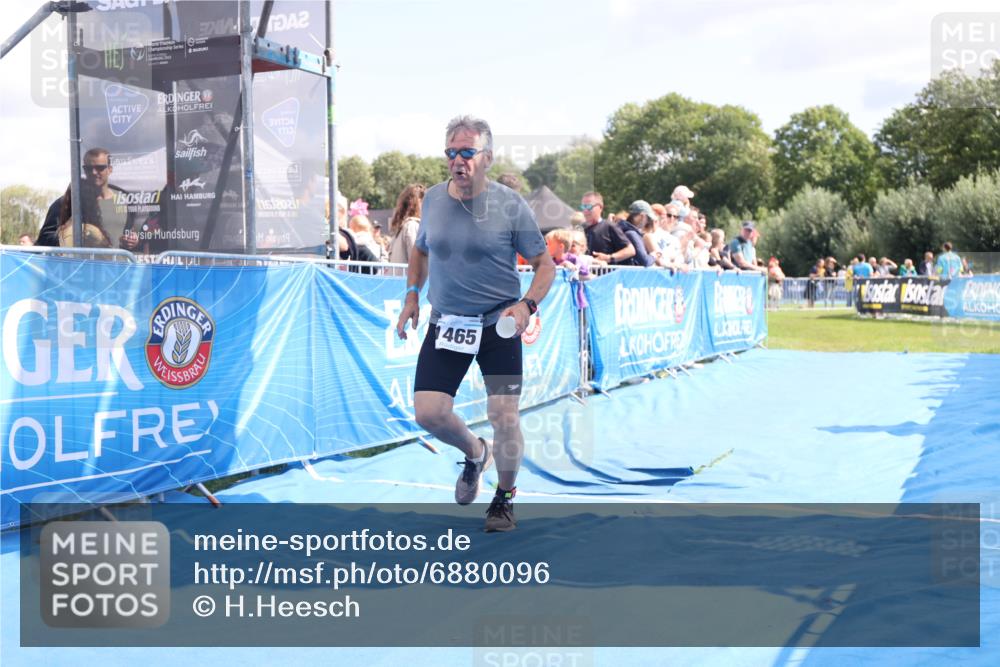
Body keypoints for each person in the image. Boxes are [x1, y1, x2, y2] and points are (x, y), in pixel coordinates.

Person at [395, 115, 555, 532]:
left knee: (504, 414)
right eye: (451, 153)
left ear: (487, 156)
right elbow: (421, 251)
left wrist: (526, 307)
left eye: (467, 152)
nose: (457, 161)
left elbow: (545, 265)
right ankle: (474, 452)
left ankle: (504, 500)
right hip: (447, 323)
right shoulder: (432, 199)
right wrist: (412, 295)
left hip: (498, 325)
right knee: (428, 414)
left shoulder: (509, 204)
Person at [581, 191, 635, 265]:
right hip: (585, 275)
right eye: (583, 207)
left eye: (589, 207)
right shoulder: (580, 229)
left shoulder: (609, 226)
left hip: (606, 274)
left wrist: (609, 258)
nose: (585, 210)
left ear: (600, 207)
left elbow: (630, 250)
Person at [388, 183, 426, 265]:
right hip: (408, 277)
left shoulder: (401, 228)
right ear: (419, 202)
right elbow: (417, 262)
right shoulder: (412, 226)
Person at [618, 201, 657, 267]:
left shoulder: (621, 229)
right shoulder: (631, 233)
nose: (647, 222)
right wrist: (653, 255)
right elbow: (645, 261)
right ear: (642, 216)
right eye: (648, 218)